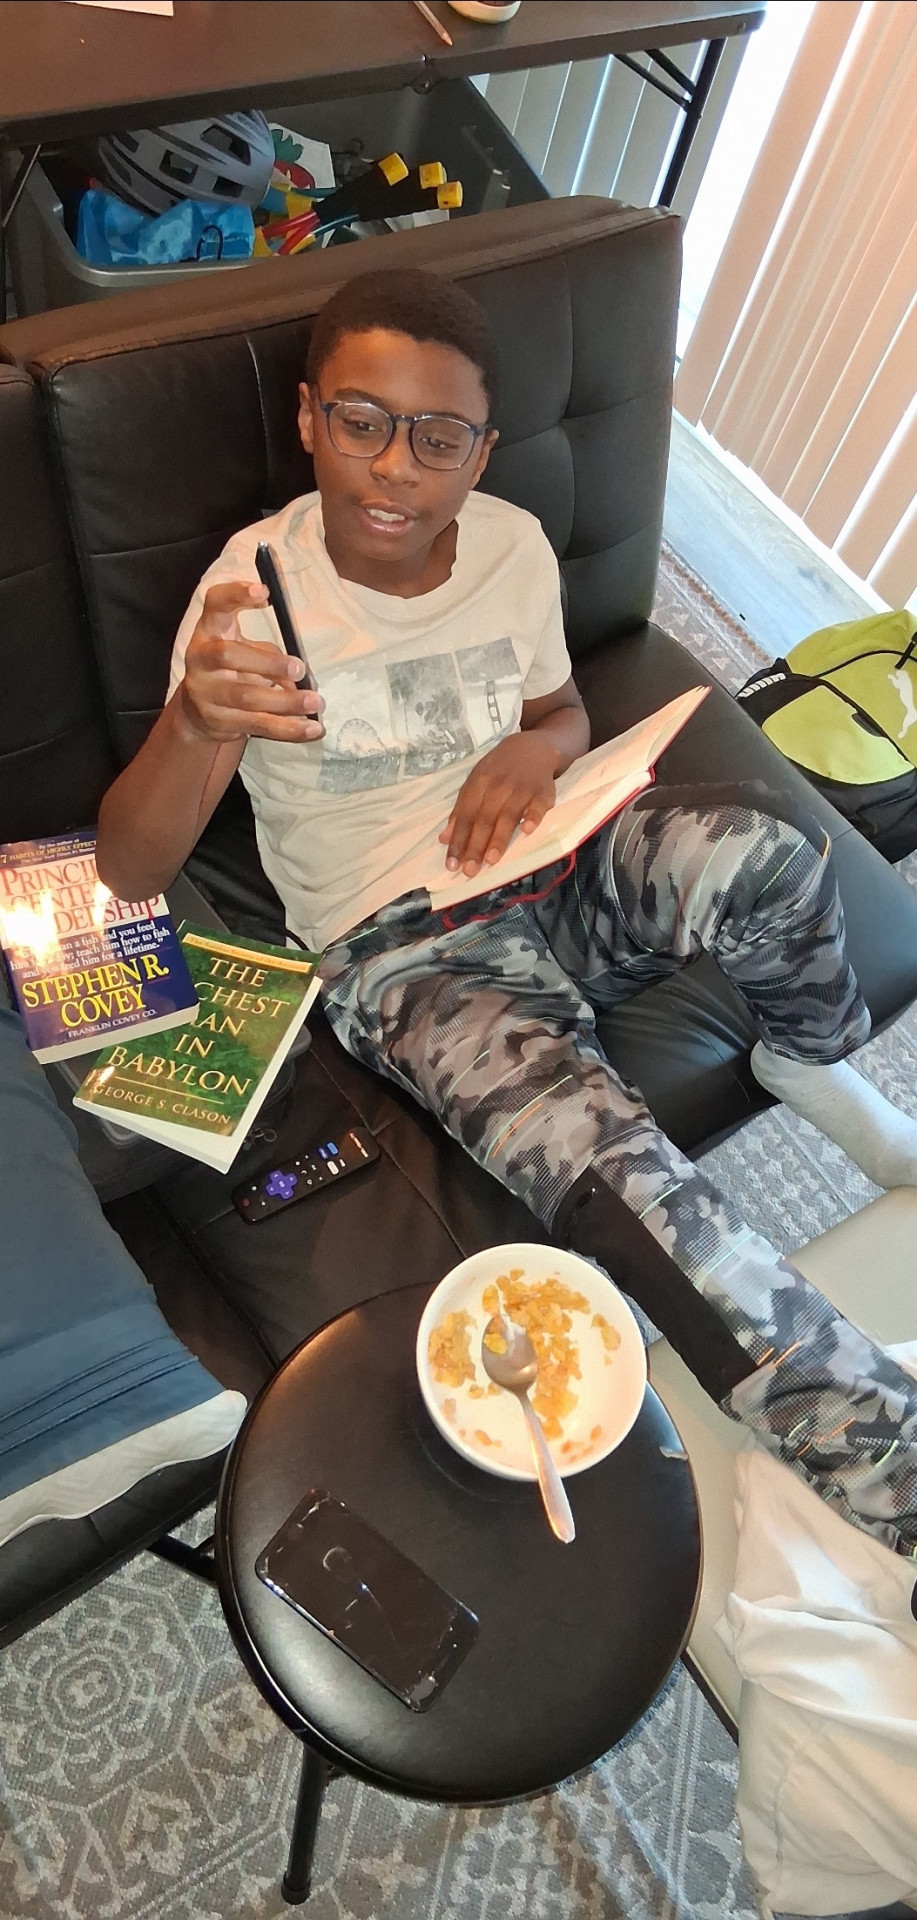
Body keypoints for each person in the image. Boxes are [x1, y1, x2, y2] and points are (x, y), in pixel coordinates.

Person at [96, 266, 917, 1555]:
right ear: (310, 418)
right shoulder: (251, 597)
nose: (396, 466)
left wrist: (537, 750)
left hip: (555, 859)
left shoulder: (514, 545)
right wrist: (196, 721)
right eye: (362, 421)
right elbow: (131, 871)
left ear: (481, 451)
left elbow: (561, 710)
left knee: (767, 854)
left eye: (440, 437)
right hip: (403, 950)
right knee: (630, 1193)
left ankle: (803, 1057)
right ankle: (895, 1472)